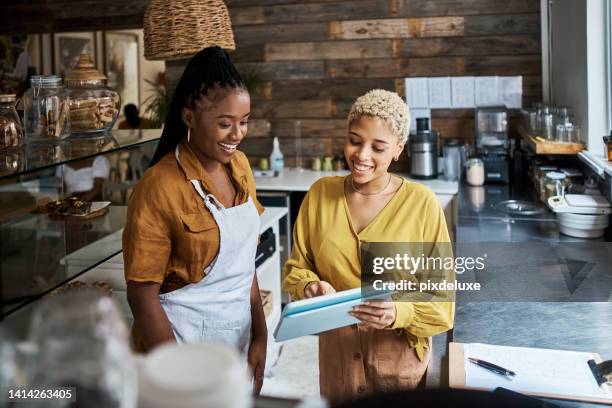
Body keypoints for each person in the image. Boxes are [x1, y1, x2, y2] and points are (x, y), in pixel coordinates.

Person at [282, 89, 455, 404]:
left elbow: (443, 306)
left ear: (398, 150)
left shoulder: (422, 204)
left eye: (378, 147)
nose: (362, 155)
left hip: (398, 371)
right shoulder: (319, 194)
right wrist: (308, 287)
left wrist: (396, 314)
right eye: (354, 140)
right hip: (338, 367)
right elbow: (297, 268)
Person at [122, 46, 267, 393]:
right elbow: (142, 295)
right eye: (224, 124)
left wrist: (260, 336)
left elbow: (243, 264)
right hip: (181, 348)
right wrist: (178, 377)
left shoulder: (241, 167)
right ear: (189, 117)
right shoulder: (158, 186)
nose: (237, 135)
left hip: (239, 343)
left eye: (243, 122)